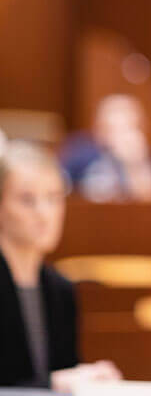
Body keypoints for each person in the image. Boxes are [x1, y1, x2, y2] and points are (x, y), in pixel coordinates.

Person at [0, 140, 122, 389]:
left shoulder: (61, 289)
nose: (45, 214)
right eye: (27, 200)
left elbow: (65, 371)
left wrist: (89, 378)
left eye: (54, 199)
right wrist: (53, 384)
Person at [60, 94, 151, 202]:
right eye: (111, 128)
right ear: (97, 129)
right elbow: (61, 187)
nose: (119, 136)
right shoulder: (81, 152)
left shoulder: (149, 159)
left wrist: (136, 165)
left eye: (128, 128)